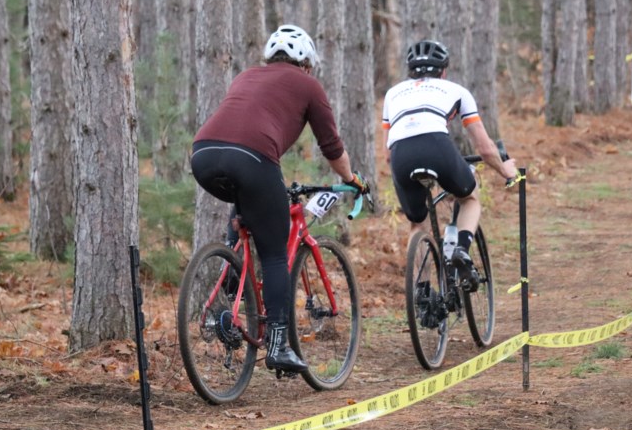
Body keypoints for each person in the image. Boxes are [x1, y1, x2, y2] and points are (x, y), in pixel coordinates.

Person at [191, 24, 369, 373]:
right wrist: (351, 179)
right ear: (306, 63)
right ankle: (278, 346)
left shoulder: (246, 76)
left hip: (203, 154)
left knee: (246, 209)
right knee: (274, 253)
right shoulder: (308, 84)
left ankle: (231, 281)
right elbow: (331, 147)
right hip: (254, 159)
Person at [381, 40, 517, 287]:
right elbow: (485, 148)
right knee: (470, 197)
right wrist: (505, 170)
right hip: (437, 146)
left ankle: (422, 294)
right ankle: (461, 251)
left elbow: (387, 153)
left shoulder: (393, 93)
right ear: (443, 71)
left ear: (410, 70)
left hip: (401, 154)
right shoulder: (456, 90)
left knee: (417, 223)